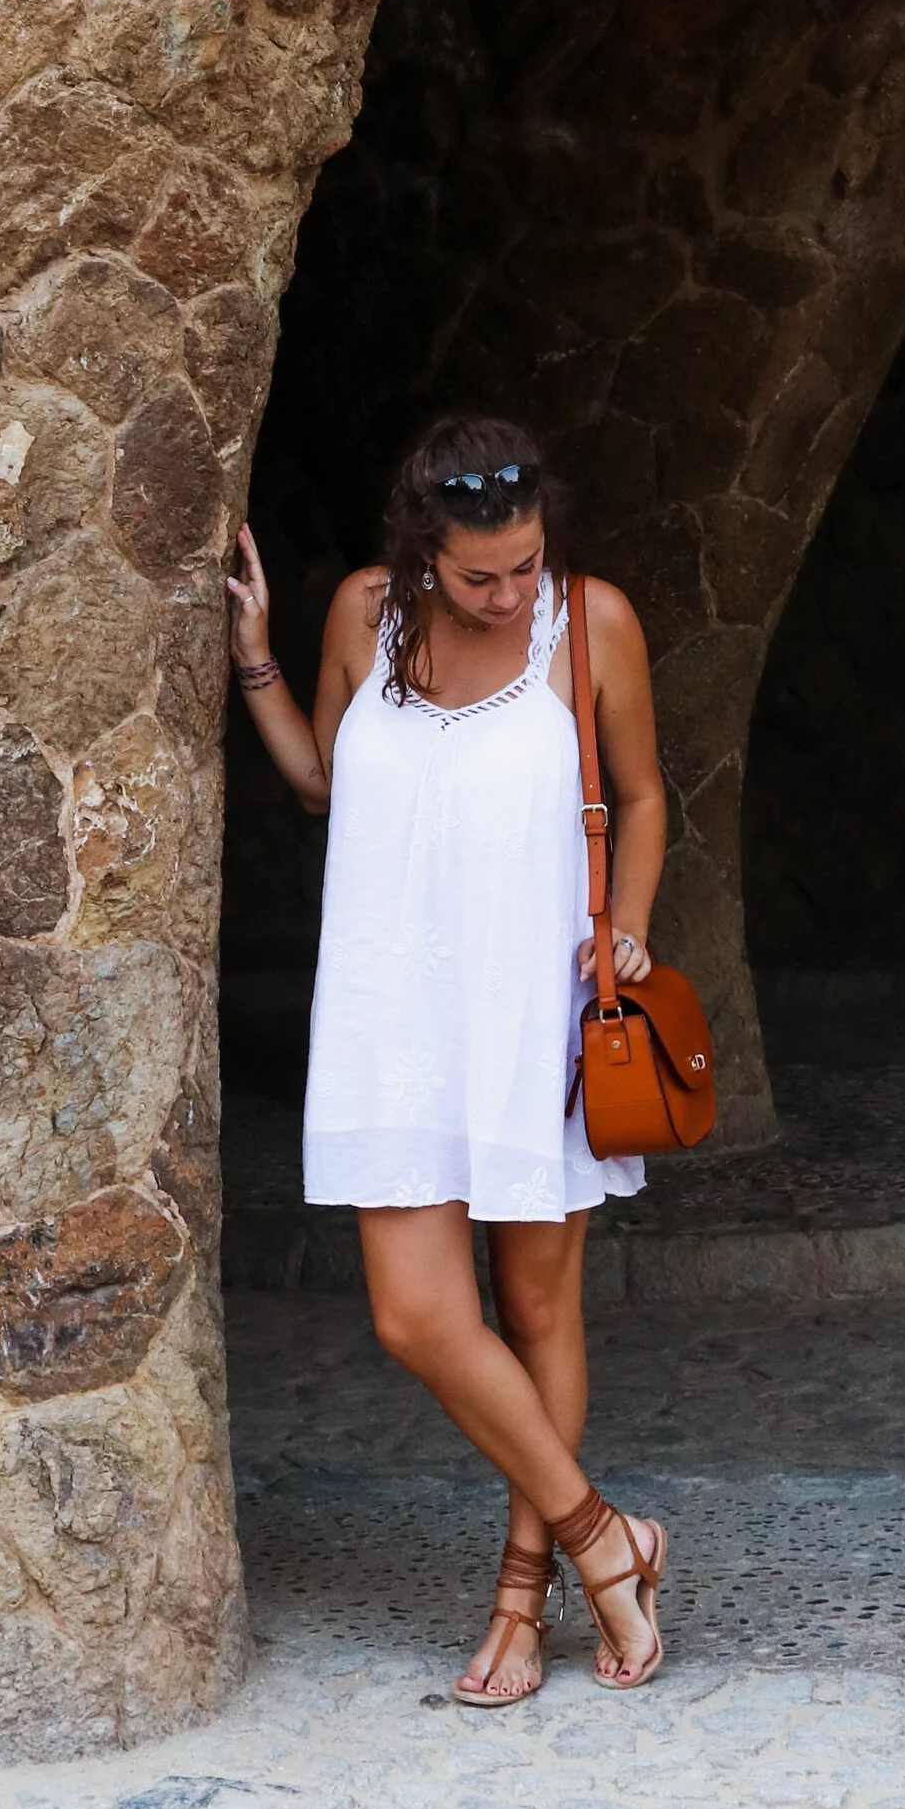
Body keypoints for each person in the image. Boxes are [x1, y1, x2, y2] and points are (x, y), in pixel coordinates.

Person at [226, 414, 673, 1704]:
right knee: (416, 1314)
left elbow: (643, 795)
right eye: (480, 575)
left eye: (524, 565)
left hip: (532, 1013)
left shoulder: (590, 624)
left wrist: (627, 928)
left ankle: (526, 1602)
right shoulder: (367, 615)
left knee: (537, 1312)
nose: (507, 593)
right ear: (422, 550)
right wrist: (256, 664)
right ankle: (612, 1542)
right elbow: (322, 782)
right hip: (391, 1020)